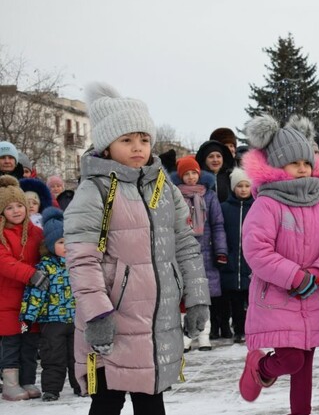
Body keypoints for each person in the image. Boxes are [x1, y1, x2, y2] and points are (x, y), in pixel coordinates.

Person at [64, 83, 210, 414]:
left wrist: (198, 298)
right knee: (107, 402)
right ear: (106, 144)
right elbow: (82, 259)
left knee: (151, 402)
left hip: (156, 321)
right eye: (126, 140)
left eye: (143, 139)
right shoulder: (94, 191)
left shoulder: (163, 187)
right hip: (112, 319)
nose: (137, 147)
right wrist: (98, 313)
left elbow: (185, 244)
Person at [237, 115, 319, 413]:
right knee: (291, 359)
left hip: (312, 296)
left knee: (304, 368)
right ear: (275, 166)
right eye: (293, 162)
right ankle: (261, 365)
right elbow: (257, 251)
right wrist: (294, 276)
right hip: (276, 298)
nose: (302, 168)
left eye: (306, 162)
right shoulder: (266, 204)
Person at [19, 207, 82, 400]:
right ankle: (51, 389)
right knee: (52, 356)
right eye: (61, 242)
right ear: (50, 245)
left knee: (77, 357)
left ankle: (81, 386)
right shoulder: (44, 268)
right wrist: (27, 319)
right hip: (52, 322)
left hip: (77, 320)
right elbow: (34, 295)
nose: (66, 246)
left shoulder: (80, 265)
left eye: (69, 242)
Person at [172, 156, 227, 349]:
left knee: (204, 296)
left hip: (206, 252)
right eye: (186, 174)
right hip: (182, 251)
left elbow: (218, 224)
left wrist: (221, 250)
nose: (190, 177)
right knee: (184, 296)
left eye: (193, 173)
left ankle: (204, 336)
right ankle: (186, 336)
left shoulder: (209, 196)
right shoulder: (174, 195)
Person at [0, 175, 47, 401]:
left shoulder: (36, 232)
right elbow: (4, 262)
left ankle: (28, 380)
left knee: (29, 343)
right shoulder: (1, 235)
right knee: (11, 343)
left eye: (19, 205)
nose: (16, 210)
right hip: (7, 300)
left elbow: (45, 254)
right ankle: (10, 384)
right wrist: (31, 274)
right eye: (9, 207)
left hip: (31, 302)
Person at [219, 168, 254, 344]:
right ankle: (239, 330)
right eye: (239, 186)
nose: (243, 189)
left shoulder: (257, 207)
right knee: (236, 302)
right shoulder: (225, 208)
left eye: (247, 185)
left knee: (253, 301)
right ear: (234, 188)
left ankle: (254, 330)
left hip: (251, 263)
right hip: (232, 262)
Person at [196, 139, 235, 204]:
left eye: (218, 156)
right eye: (211, 157)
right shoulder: (198, 178)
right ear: (205, 159)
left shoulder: (230, 176)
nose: (215, 160)